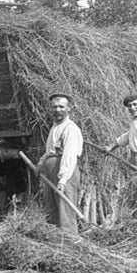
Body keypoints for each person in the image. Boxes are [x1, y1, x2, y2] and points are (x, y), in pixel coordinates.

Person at [37, 92, 83, 235]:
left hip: (64, 172)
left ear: (69, 109)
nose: (57, 110)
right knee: (52, 209)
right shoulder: (55, 127)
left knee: (65, 209)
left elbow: (69, 155)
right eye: (55, 107)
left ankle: (71, 241)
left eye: (61, 107)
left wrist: (63, 180)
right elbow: (50, 150)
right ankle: (56, 242)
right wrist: (40, 164)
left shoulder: (70, 128)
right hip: (51, 172)